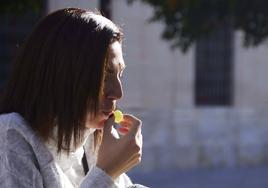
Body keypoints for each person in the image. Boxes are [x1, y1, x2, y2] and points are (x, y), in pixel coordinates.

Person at [0, 8, 147, 188]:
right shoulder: (9, 134)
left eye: (119, 75)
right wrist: (107, 172)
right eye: (104, 75)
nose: (117, 93)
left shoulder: (93, 140)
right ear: (64, 74)